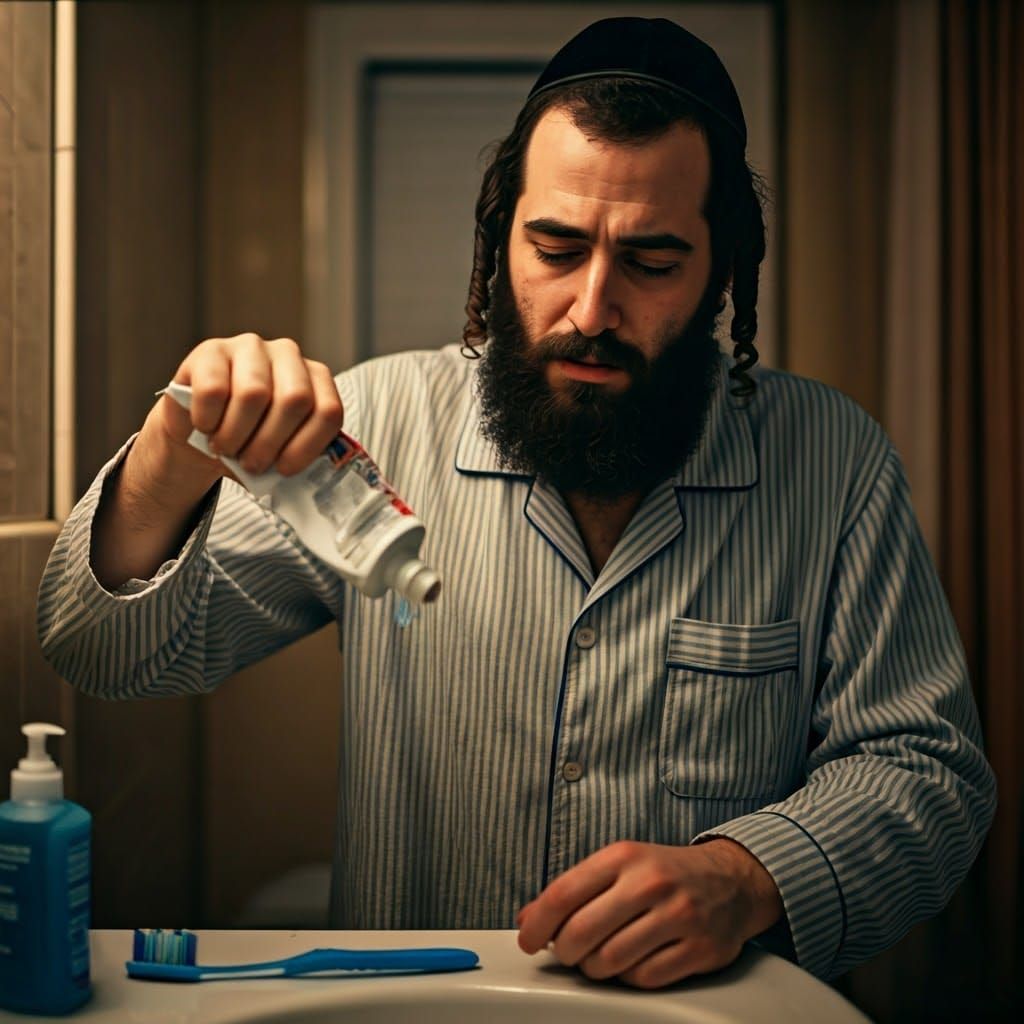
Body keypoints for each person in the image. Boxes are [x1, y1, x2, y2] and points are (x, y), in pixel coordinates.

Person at [38, 17, 995, 989]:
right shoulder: (377, 425)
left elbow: (930, 773)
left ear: (723, 271)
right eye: (555, 247)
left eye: (652, 262)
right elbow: (95, 648)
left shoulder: (833, 461)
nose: (590, 309)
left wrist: (745, 875)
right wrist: (174, 446)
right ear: (500, 246)